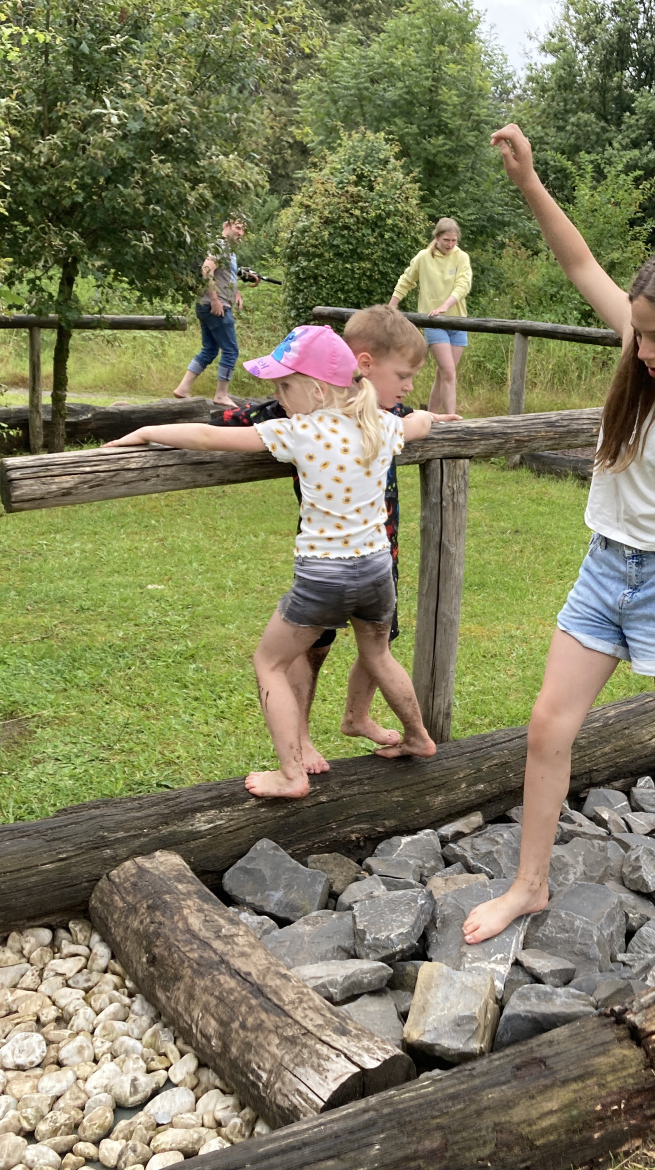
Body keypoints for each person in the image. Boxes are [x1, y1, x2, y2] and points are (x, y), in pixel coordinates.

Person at [461, 124, 655, 944]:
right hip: (605, 569)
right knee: (548, 724)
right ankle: (530, 885)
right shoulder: (638, 350)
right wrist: (530, 181)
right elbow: (579, 263)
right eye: (639, 333)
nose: (644, 350)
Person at [107, 325, 455, 796]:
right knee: (378, 654)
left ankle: (291, 774)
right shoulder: (383, 424)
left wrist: (147, 430)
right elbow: (420, 425)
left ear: (317, 390)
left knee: (269, 663)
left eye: (284, 387)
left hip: (323, 577)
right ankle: (417, 737)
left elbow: (207, 437)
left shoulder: (298, 432)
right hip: (376, 570)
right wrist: (430, 416)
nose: (278, 397)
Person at [209, 306, 430, 766]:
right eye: (403, 375)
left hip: (336, 565)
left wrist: (149, 431)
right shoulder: (332, 415)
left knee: (286, 657)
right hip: (371, 562)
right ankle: (315, 739)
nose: (408, 386)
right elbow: (228, 424)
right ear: (362, 366)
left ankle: (318, 745)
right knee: (329, 649)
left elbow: (415, 419)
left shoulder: (352, 419)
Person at [390, 218, 473, 416]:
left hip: (458, 321)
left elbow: (463, 285)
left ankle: (433, 415)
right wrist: (392, 305)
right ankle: (452, 418)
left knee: (444, 373)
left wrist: (445, 305)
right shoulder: (424, 257)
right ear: (436, 237)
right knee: (449, 371)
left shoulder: (462, 257)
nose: (450, 244)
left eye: (453, 240)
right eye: (446, 240)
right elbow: (406, 280)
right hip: (433, 321)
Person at [174, 216, 253, 403]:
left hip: (206, 304)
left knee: (209, 349)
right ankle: (221, 395)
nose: (241, 233)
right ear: (227, 226)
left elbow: (224, 275)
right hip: (216, 306)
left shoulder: (229, 250)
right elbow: (207, 269)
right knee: (231, 351)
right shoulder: (221, 246)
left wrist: (236, 292)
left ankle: (183, 389)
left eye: (243, 229)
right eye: (238, 228)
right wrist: (215, 300)